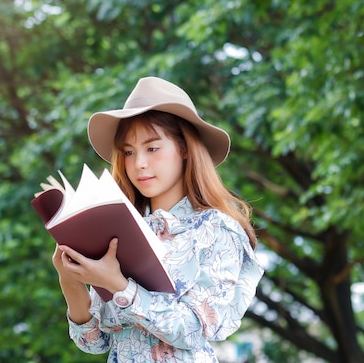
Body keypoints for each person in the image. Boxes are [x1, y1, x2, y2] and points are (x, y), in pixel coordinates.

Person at [52, 76, 264, 362]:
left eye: (152, 148)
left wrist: (119, 285)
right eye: (128, 151)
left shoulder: (216, 228)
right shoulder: (119, 231)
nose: (139, 163)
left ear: (185, 149)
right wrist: (69, 279)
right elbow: (94, 341)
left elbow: (197, 330)